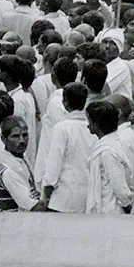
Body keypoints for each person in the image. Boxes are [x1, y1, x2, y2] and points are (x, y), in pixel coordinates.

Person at [39, 82, 96, 213]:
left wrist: (46, 193)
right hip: (87, 197)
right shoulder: (92, 129)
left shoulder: (62, 128)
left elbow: (54, 164)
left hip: (63, 199)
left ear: (65, 103)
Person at [86, 100, 134, 214]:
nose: (87, 125)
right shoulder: (112, 143)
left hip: (109, 211)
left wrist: (128, 207)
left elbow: (120, 188)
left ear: (96, 124)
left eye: (89, 121)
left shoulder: (108, 151)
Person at [0, 116, 39, 212]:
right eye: (15, 136)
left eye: (25, 135)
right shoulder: (7, 171)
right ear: (4, 139)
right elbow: (33, 206)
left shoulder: (22, 159)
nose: (22, 140)